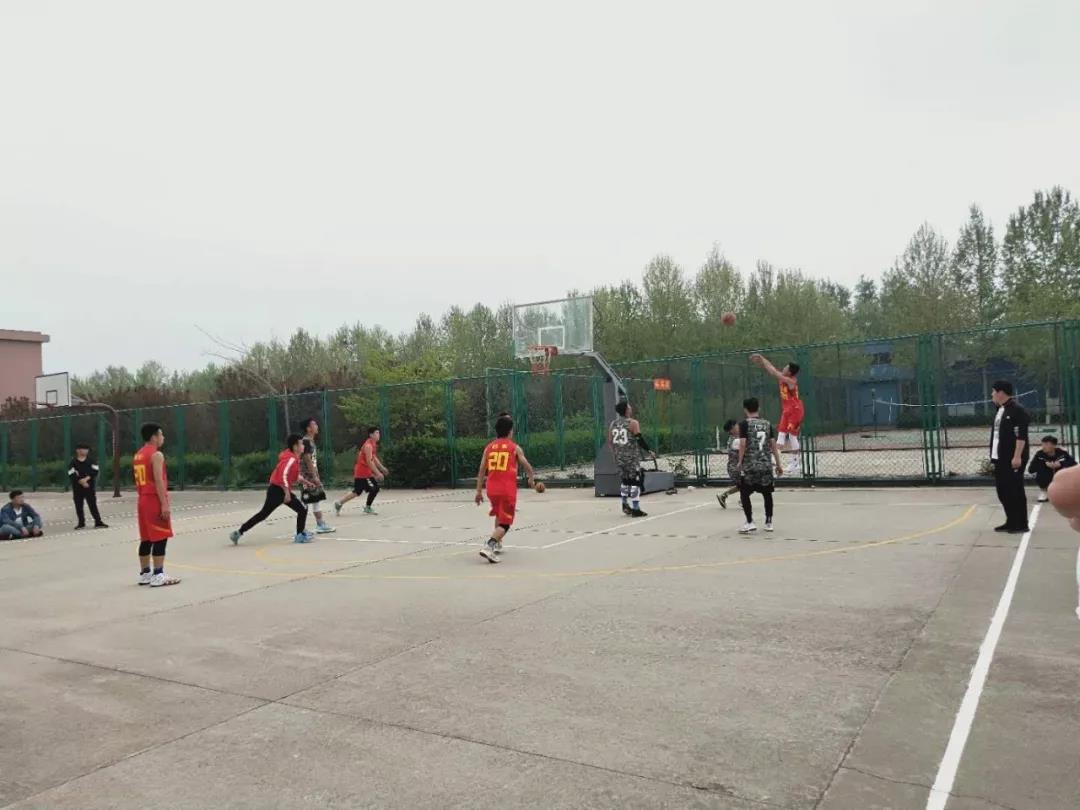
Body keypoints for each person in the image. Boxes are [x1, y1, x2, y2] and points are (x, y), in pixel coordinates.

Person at [475, 414, 536, 563]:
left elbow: (482, 469)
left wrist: (478, 491)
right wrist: (531, 478)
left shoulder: (489, 447)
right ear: (510, 431)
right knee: (506, 523)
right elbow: (527, 465)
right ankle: (489, 546)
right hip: (506, 489)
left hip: (491, 489)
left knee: (499, 513)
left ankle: (497, 543)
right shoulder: (514, 448)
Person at [231, 434, 312, 544]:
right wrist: (287, 493)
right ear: (295, 446)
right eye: (301, 443)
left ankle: (239, 532)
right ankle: (299, 535)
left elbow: (293, 475)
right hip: (277, 490)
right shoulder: (291, 459)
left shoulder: (293, 458)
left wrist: (306, 482)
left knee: (300, 509)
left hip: (279, 489)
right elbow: (283, 476)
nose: (303, 446)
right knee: (300, 509)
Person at [133, 423, 179, 587]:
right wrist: (164, 504)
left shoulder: (138, 454)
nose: (163, 437)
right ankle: (158, 574)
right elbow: (158, 480)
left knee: (146, 538)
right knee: (160, 536)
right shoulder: (156, 455)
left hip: (142, 499)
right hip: (153, 499)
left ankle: (145, 573)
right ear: (154, 437)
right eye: (161, 434)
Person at [736, 397, 784, 534]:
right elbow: (773, 445)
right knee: (767, 493)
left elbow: (743, 444)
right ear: (759, 408)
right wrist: (778, 464)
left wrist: (740, 461)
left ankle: (750, 522)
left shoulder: (744, 424)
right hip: (765, 464)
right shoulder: (767, 424)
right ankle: (769, 522)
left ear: (745, 409)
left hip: (750, 465)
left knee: (744, 492)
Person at [750, 353, 803, 473]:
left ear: (789, 372)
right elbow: (771, 369)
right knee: (781, 433)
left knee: (792, 436)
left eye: (786, 367)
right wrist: (762, 359)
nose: (783, 368)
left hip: (795, 410)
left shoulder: (790, 381)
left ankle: (795, 464)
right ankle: (775, 458)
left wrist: (762, 360)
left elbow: (774, 372)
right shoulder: (783, 377)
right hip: (787, 409)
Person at [990, 380, 1031, 533]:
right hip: (1000, 457)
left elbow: (1021, 436)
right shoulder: (1000, 409)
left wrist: (1017, 456)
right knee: (1003, 490)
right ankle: (1011, 520)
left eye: (993, 391)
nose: (992, 395)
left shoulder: (1017, 410)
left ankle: (1021, 523)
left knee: (1015, 490)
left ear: (1001, 392)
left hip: (1013, 457)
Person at [609, 400, 653, 517]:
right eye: (629, 407)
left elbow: (610, 441)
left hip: (619, 457)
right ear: (626, 410)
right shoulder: (633, 423)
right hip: (631, 457)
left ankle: (624, 504)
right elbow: (639, 439)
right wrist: (649, 450)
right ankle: (636, 508)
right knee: (635, 482)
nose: (631, 408)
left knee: (625, 481)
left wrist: (615, 454)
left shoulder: (613, 424)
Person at [335, 427, 389, 516]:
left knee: (357, 491)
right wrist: (378, 473)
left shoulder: (372, 444)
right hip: (362, 473)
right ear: (371, 435)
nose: (378, 435)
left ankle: (339, 503)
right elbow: (369, 461)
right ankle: (367, 507)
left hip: (365, 472)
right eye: (376, 433)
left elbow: (374, 458)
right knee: (374, 488)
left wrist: (382, 468)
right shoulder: (368, 446)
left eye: (379, 433)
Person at [299, 418, 335, 534]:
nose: (317, 426)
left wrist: (316, 474)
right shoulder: (306, 441)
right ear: (308, 428)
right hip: (306, 476)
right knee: (306, 501)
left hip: (310, 475)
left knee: (316, 498)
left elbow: (312, 461)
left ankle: (320, 524)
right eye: (314, 424)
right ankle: (302, 528)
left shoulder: (310, 441)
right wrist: (314, 476)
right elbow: (307, 459)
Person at [68, 443, 108, 530]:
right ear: (78, 450)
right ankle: (81, 523)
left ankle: (98, 522)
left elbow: (95, 471)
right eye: (83, 449)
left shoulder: (91, 460)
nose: (85, 451)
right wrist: (81, 481)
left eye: (86, 449)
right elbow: (71, 473)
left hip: (89, 486)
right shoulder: (73, 462)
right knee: (79, 505)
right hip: (77, 487)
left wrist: (86, 479)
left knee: (92, 504)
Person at [1027, 435, 1075, 503]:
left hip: (1060, 478)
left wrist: (1061, 464)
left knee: (1069, 470)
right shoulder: (1039, 454)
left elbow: (1074, 464)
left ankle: (1064, 491)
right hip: (1046, 477)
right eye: (1043, 444)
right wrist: (1044, 464)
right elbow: (1031, 470)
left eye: (1046, 444)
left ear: (1054, 445)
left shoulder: (1062, 453)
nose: (1044, 447)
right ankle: (1044, 491)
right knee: (1041, 470)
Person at [716, 419, 741, 509]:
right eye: (736, 426)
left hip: (736, 467)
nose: (739, 427)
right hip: (735, 468)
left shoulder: (737, 438)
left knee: (742, 485)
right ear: (732, 428)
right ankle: (743, 500)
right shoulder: (735, 440)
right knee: (750, 483)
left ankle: (723, 496)